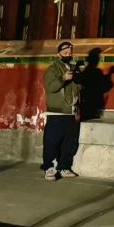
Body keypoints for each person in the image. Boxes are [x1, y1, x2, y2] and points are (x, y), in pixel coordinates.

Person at [42, 40, 83, 179]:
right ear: (59, 54)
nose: (68, 55)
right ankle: (48, 167)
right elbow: (50, 87)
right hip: (56, 112)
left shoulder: (73, 67)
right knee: (52, 141)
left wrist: (79, 79)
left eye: (70, 53)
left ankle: (64, 167)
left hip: (70, 111)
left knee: (68, 143)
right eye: (65, 53)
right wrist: (63, 78)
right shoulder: (52, 69)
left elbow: (78, 89)